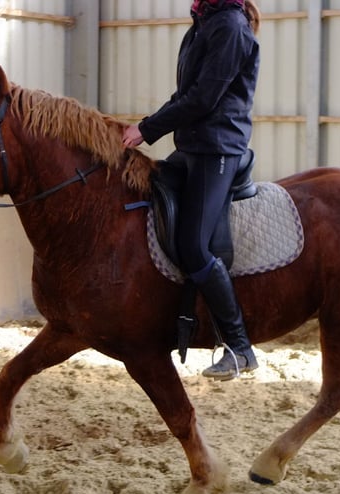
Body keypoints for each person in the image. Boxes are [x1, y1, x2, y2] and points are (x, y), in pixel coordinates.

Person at [122, 0, 261, 380]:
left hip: (218, 148)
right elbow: (184, 94)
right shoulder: (203, 24)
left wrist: (147, 130)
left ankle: (239, 346)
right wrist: (144, 126)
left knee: (193, 245)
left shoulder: (230, 27)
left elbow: (203, 98)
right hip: (193, 147)